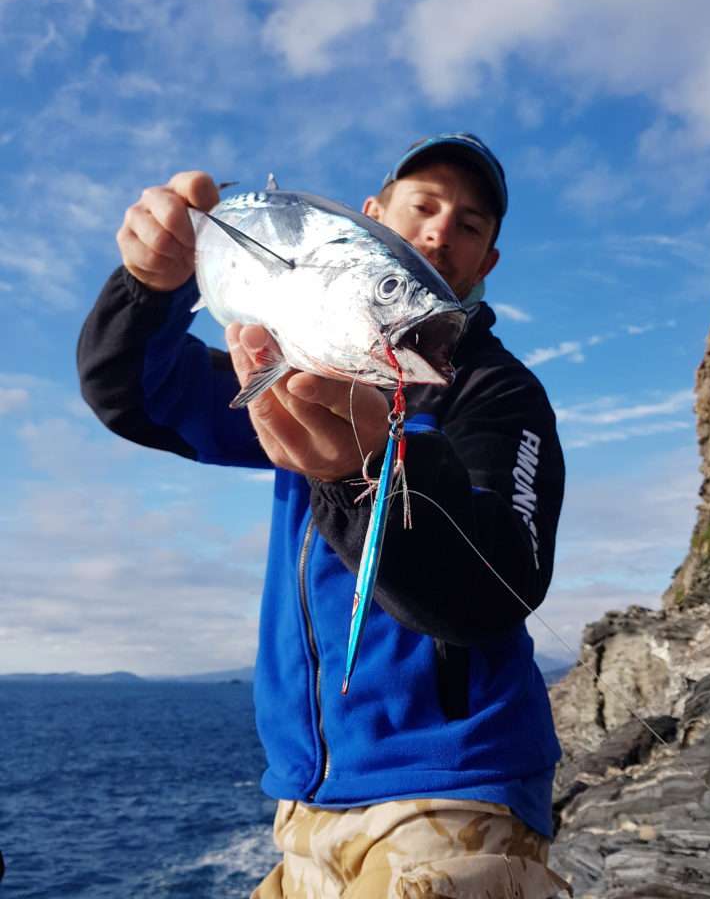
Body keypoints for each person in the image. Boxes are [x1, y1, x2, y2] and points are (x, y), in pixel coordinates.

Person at [77, 133, 570, 898]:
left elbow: (500, 583)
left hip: (457, 788)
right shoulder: (295, 375)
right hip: (302, 802)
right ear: (371, 217)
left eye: (470, 225)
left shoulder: (499, 395)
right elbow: (138, 395)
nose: (442, 231)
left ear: (487, 263)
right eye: (423, 206)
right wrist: (151, 285)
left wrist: (362, 471)